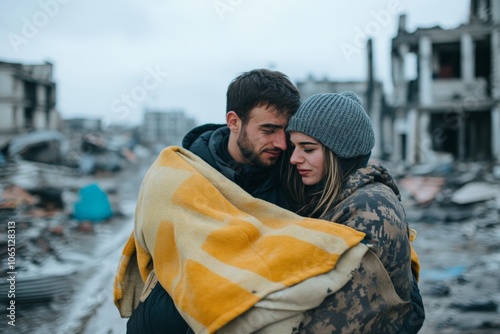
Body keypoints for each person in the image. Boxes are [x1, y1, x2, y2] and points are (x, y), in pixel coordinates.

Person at [124, 68, 301, 333]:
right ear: (233, 121)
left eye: (285, 131)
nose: (282, 143)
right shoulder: (182, 177)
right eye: (269, 130)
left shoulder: (295, 178)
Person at [284, 91, 424, 332]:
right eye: (294, 147)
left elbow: (337, 321)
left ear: (340, 152)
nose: (294, 158)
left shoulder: (371, 210)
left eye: (307, 149)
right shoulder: (341, 199)